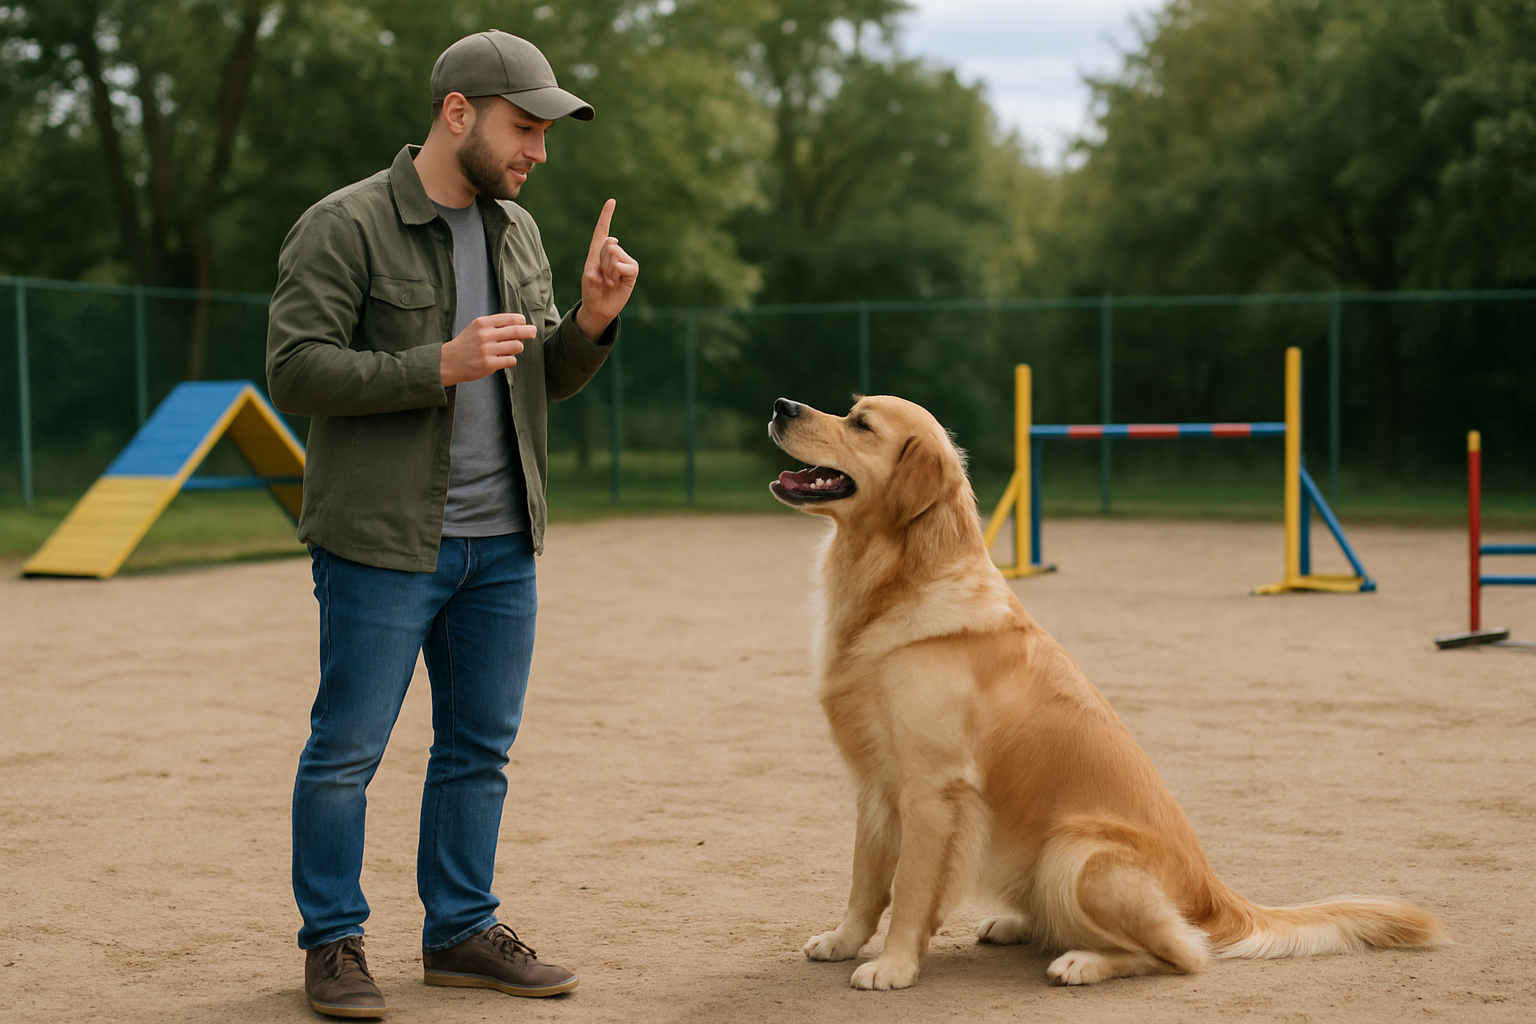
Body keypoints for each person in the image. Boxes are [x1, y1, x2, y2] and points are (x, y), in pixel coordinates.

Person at [265, 29, 638, 1019]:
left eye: (547, 134)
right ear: (458, 111)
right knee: (346, 751)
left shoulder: (515, 231)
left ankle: (461, 930)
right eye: (526, 128)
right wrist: (436, 362)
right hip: (383, 545)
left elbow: (539, 379)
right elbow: (295, 369)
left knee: (480, 748)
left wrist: (592, 322)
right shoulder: (343, 225)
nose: (539, 153)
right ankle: (333, 946)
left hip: (503, 546)